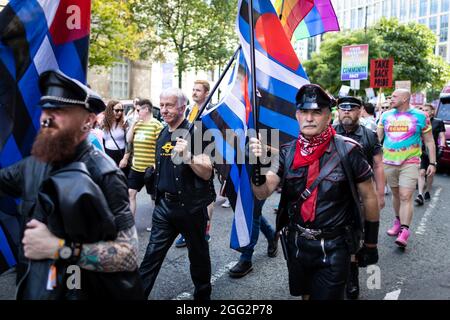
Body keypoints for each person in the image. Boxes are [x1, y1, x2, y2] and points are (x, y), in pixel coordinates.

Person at [0, 70, 143, 299]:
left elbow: (128, 254)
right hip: (36, 287)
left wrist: (58, 247)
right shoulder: (34, 165)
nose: (46, 118)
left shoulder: (104, 173)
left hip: (81, 290)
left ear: (87, 121)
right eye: (46, 110)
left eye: (58, 111)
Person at [249, 84, 380, 300]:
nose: (309, 118)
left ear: (329, 117)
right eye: (304, 112)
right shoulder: (287, 152)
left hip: (335, 246)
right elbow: (263, 192)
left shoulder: (349, 150)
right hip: (298, 245)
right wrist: (255, 168)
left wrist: (371, 244)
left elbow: (369, 196)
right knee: (306, 296)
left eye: (316, 112)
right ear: (297, 115)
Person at [139, 88, 215, 300]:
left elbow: (208, 172)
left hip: (191, 208)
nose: (163, 110)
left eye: (169, 105)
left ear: (182, 107)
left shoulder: (197, 132)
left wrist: (188, 156)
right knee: (151, 257)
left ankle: (203, 297)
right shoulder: (162, 133)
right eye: (161, 105)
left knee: (198, 257)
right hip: (164, 208)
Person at [334, 96, 385, 300]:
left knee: (355, 237)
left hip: (362, 196)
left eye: (352, 108)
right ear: (338, 111)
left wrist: (379, 194)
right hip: (333, 195)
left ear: (360, 111)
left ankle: (352, 276)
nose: (346, 111)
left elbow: (379, 165)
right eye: (343, 108)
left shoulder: (369, 135)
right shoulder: (327, 132)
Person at [377, 89, 436, 248]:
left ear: (405, 98)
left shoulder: (421, 116)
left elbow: (429, 141)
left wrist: (432, 163)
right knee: (396, 194)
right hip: (388, 161)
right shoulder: (385, 116)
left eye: (394, 96)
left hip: (410, 161)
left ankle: (405, 230)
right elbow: (377, 139)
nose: (391, 99)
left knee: (405, 195)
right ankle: (398, 221)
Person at [176, 80, 214, 247]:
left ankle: (205, 230)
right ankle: (188, 231)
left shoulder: (211, 111)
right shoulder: (191, 110)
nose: (195, 92)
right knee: (190, 191)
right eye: (193, 89)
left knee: (207, 193)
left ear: (206, 93)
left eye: (198, 90)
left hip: (207, 155)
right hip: (191, 153)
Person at [121, 99, 163, 217]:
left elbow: (160, 146)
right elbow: (129, 140)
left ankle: (155, 223)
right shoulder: (137, 124)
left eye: (138, 110)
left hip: (150, 168)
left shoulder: (156, 125)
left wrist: (156, 164)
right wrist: (134, 123)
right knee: (130, 193)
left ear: (146, 109)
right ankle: (130, 222)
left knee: (153, 197)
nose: (136, 112)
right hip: (136, 167)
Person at [228, 198, 278, 278]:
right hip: (234, 185)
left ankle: (246, 257)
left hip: (256, 185)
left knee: (253, 211)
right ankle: (271, 234)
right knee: (245, 210)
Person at [415, 103, 446, 205]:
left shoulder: (438, 122)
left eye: (426, 110)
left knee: (430, 173)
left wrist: (441, 147)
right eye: (422, 110)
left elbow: (442, 136)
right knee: (421, 172)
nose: (424, 112)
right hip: (422, 151)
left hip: (433, 152)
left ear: (432, 112)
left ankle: (427, 190)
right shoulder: (420, 121)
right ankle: (420, 194)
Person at [103, 100, 129, 176]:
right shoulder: (103, 123)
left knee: (121, 180)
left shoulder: (125, 123)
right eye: (117, 110)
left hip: (120, 155)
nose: (120, 113)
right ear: (110, 110)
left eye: (121, 110)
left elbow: (129, 143)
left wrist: (125, 159)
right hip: (106, 155)